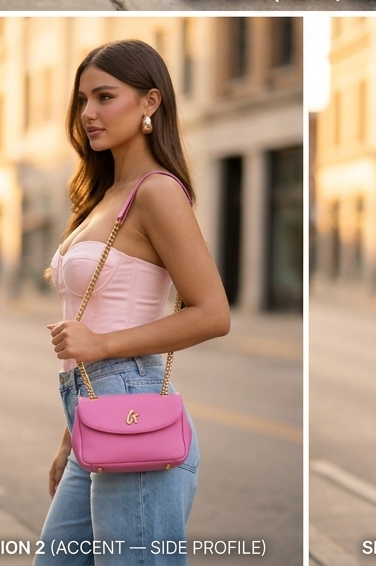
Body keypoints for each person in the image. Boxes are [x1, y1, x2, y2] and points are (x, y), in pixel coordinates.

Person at [37, 40, 230, 565]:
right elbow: (93, 320)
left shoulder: (156, 191)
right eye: (82, 100)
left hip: (134, 417)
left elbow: (213, 314)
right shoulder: (103, 195)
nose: (88, 114)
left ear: (150, 102)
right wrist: (68, 438)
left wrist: (101, 344)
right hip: (93, 419)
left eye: (104, 97)